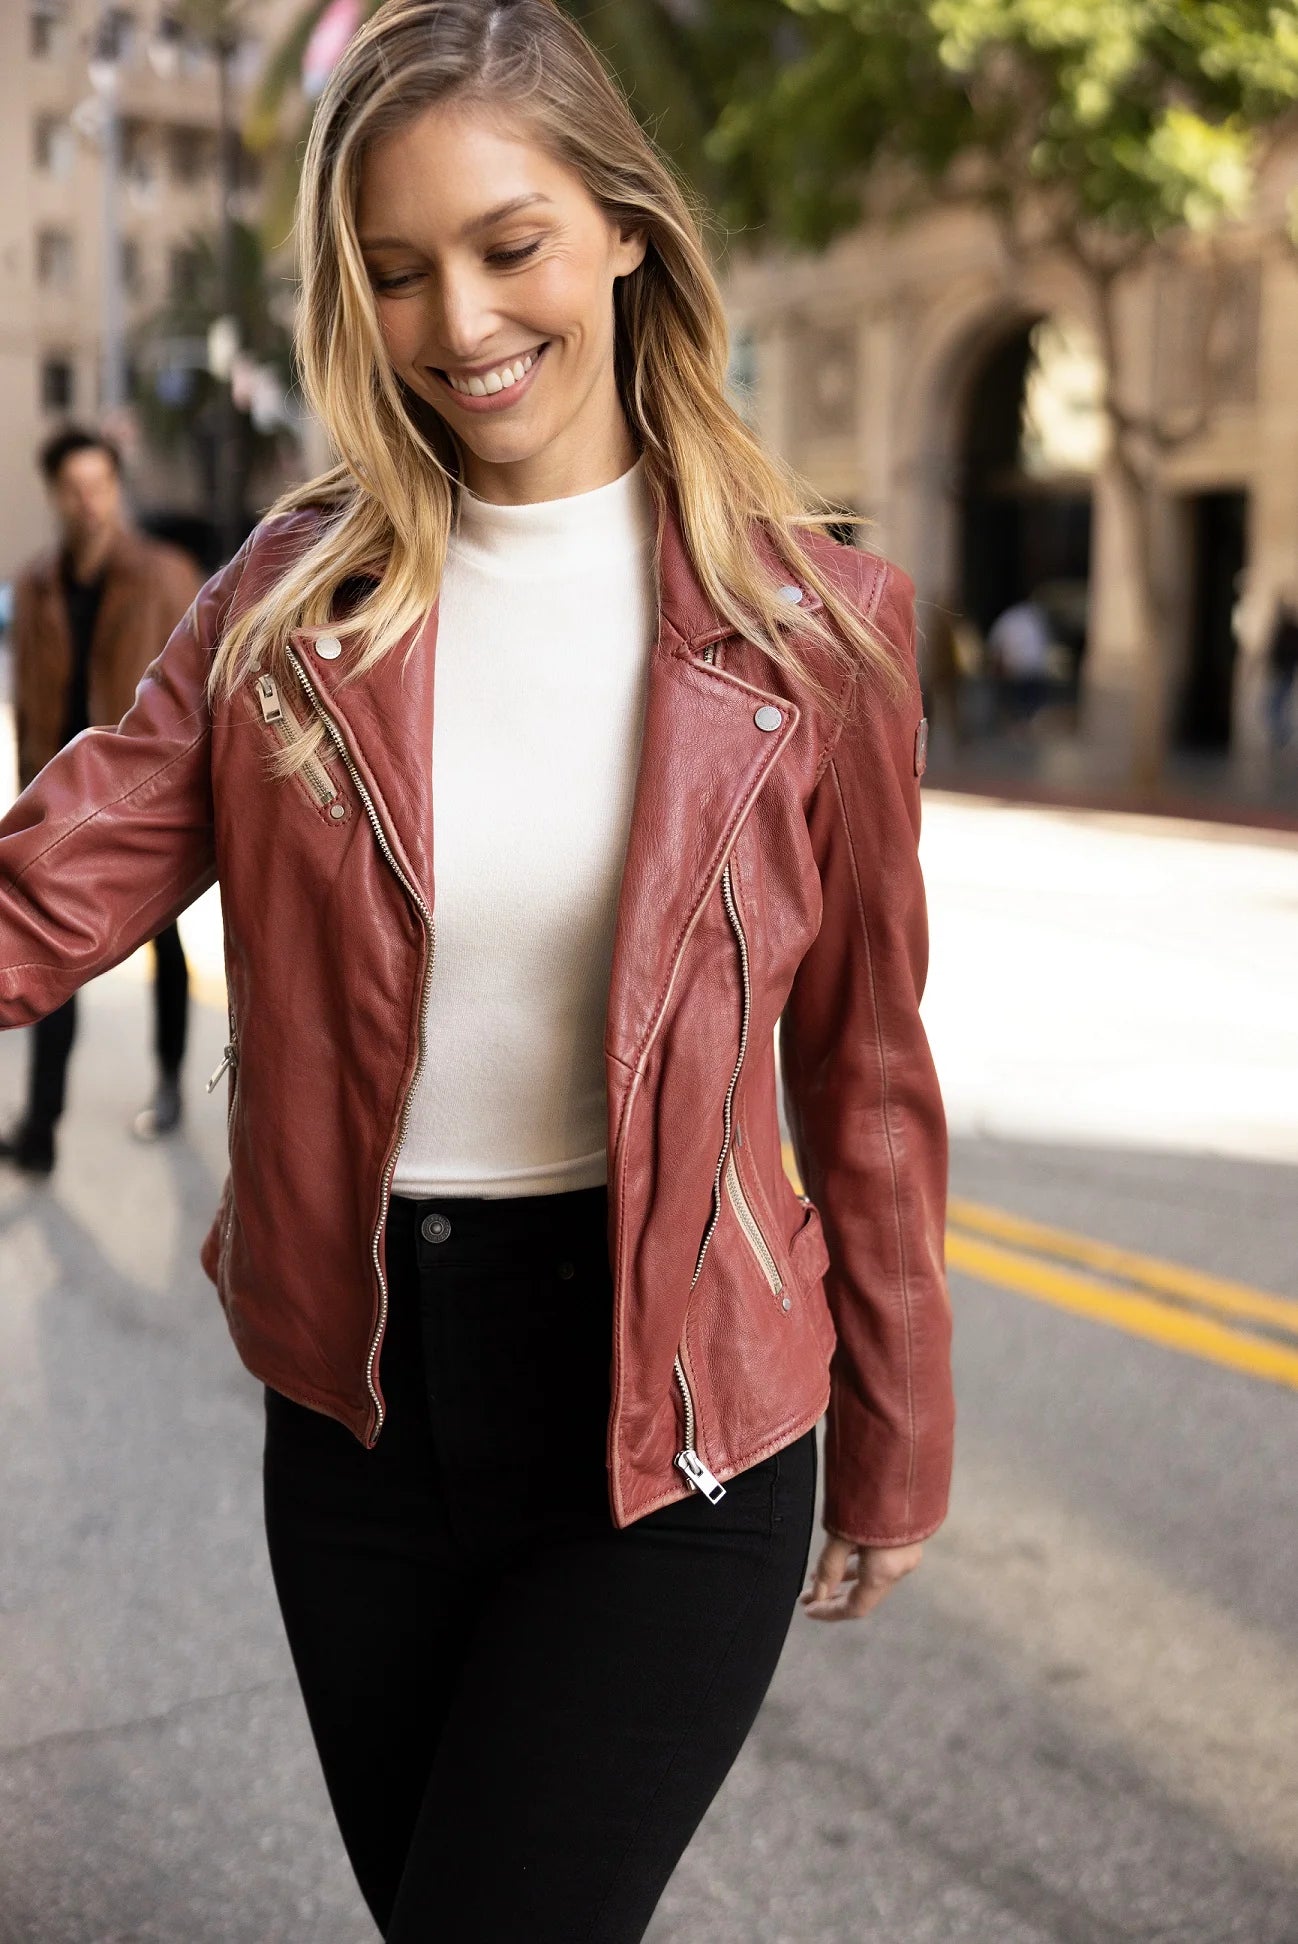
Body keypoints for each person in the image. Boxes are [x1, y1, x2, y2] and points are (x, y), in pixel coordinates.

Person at [0, 2, 954, 1935]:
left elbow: (861, 1058)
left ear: (619, 227)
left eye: (507, 245)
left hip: (678, 1412)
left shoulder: (816, 628)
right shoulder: (287, 601)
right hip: (360, 1418)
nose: (458, 321)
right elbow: (43, 892)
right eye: (395, 272)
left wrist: (899, 1425)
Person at [0, 427, 202, 1176]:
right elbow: (28, 698)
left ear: (117, 489)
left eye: (101, 486)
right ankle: (41, 1128)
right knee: (48, 963)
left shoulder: (167, 574)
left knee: (166, 949)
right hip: (62, 804)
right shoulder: (34, 585)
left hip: (143, 807)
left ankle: (173, 1082)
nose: (88, 503)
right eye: (73, 488)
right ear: (55, 494)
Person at [1264, 587, 1298, 753]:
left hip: (1284, 672)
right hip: (1283, 671)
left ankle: (1282, 735)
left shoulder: (1288, 631)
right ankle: (1281, 735)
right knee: (1275, 705)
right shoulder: (1285, 630)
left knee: (1274, 706)